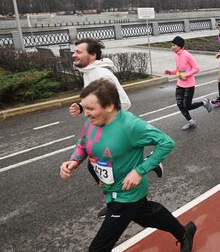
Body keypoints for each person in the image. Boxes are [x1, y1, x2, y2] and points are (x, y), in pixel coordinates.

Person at [60, 80, 196, 252]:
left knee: (97, 251)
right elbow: (83, 143)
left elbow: (166, 142)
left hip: (126, 194)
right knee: (147, 215)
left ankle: (183, 233)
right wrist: (74, 161)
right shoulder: (92, 122)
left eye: (91, 109)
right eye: (84, 108)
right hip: (110, 190)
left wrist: (140, 170)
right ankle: (184, 233)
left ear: (109, 106)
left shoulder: (131, 125)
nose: (86, 114)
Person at [69, 38, 162, 219]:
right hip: (103, 123)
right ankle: (114, 199)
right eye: (75, 51)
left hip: (114, 125)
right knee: (97, 165)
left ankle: (118, 197)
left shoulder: (103, 74)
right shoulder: (88, 72)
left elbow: (125, 102)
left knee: (100, 164)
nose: (74, 54)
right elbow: (94, 98)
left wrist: (108, 120)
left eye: (79, 51)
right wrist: (82, 107)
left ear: (93, 55)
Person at [164, 36, 212, 130]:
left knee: (187, 106)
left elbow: (196, 68)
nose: (172, 47)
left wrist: (186, 74)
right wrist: (171, 72)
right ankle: (191, 121)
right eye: (172, 45)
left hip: (189, 85)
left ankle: (204, 102)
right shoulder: (177, 55)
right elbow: (178, 69)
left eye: (174, 45)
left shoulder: (187, 55)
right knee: (179, 104)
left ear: (180, 46)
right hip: (180, 84)